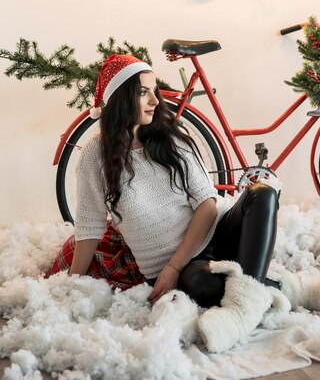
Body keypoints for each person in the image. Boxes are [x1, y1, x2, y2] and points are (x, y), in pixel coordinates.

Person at [69, 54, 279, 307]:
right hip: (185, 265)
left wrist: (173, 267)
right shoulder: (95, 155)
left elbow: (208, 206)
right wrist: (71, 284)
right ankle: (267, 287)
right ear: (120, 98)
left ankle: (246, 299)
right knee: (204, 287)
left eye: (154, 91)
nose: (155, 100)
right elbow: (89, 227)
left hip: (220, 230)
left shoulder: (171, 137)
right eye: (143, 92)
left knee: (262, 192)